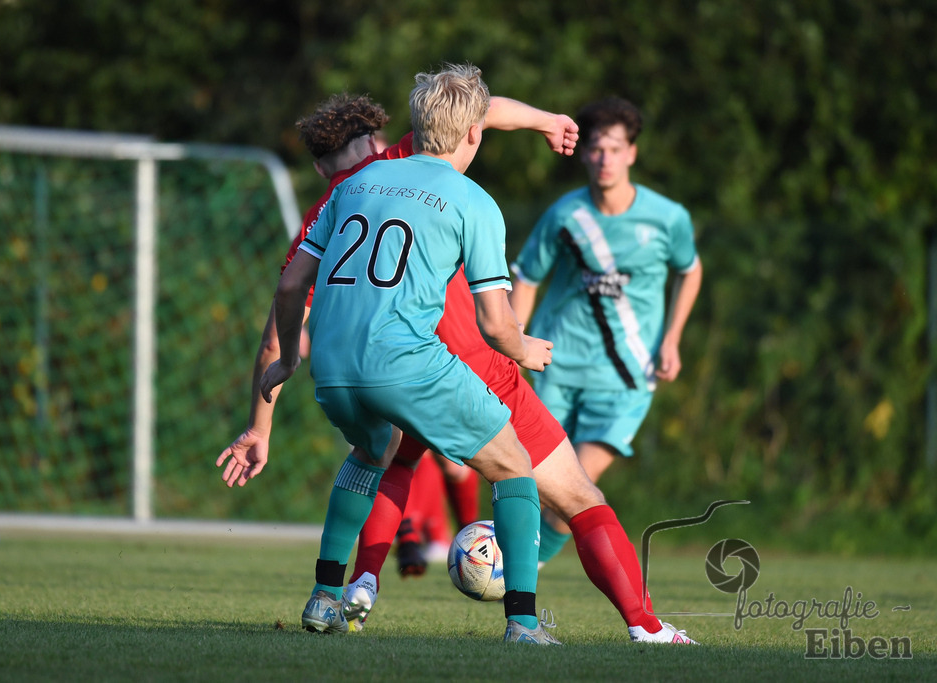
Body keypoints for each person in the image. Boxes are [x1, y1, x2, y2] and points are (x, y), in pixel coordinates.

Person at [220, 87, 697, 645]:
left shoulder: (336, 199)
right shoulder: (419, 166)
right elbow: (480, 111)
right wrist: (547, 121)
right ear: (378, 139)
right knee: (566, 493)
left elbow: (284, 307)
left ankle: (349, 584)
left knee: (382, 456)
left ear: (321, 166)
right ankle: (622, 625)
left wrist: (261, 424)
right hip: (458, 362)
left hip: (347, 366)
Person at [223, 64, 564, 645]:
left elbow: (289, 287)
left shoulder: (351, 188)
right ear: (474, 132)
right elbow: (495, 325)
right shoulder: (474, 201)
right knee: (514, 466)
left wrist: (287, 367)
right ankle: (524, 624)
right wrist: (526, 348)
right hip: (405, 364)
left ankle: (325, 596)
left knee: (371, 451)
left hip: (333, 371)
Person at [508, 96, 704, 569]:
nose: (605, 159)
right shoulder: (565, 215)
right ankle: (514, 567)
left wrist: (672, 338)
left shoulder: (667, 218)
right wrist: (514, 342)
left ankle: (524, 568)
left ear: (632, 153)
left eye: (615, 149)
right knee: (534, 480)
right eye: (596, 149)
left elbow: (690, 270)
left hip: (626, 376)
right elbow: (527, 277)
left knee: (578, 484)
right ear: (584, 154)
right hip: (556, 367)